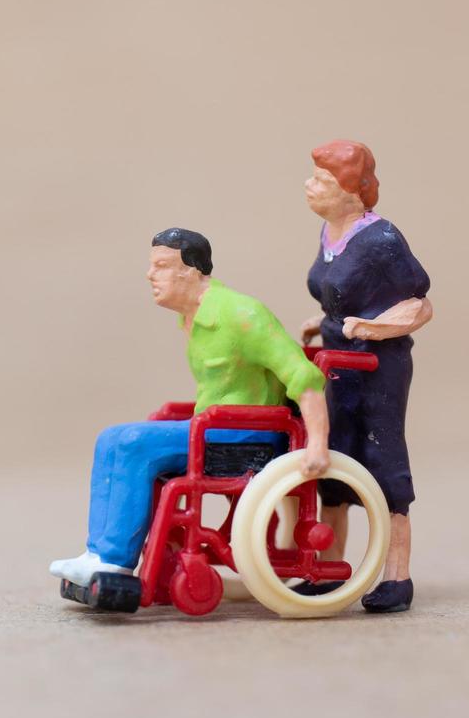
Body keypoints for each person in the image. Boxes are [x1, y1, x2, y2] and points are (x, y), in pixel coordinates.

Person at [49, 228, 330, 587]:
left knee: (134, 443)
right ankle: (97, 553)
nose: (150, 275)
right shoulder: (190, 319)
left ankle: (115, 562)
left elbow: (303, 377)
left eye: (162, 266)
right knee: (110, 438)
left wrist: (318, 443)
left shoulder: (242, 314)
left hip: (246, 438)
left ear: (192, 271)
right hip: (214, 428)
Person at [299, 140, 432, 613]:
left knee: (384, 462)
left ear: (353, 192)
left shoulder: (382, 240)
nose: (309, 187)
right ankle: (327, 570)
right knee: (332, 463)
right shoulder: (328, 231)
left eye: (321, 181)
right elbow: (338, 295)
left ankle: (397, 578)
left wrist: (372, 329)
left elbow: (419, 304)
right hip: (337, 365)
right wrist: (324, 323)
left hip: (379, 368)